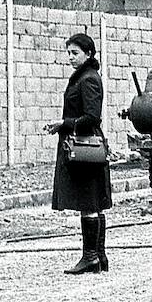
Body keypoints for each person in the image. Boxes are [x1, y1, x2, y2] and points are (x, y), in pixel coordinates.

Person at [44, 33, 111, 274]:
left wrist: (64, 123)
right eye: (68, 53)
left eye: (75, 53)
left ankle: (91, 257)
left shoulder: (88, 79)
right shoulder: (84, 77)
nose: (70, 58)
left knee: (88, 201)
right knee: (92, 202)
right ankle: (98, 257)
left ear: (89, 54)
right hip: (86, 145)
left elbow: (92, 117)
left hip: (85, 147)